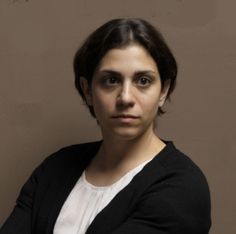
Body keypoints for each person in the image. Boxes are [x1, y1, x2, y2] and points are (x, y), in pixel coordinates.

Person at [0, 18, 211, 234]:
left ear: (163, 91)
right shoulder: (54, 169)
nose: (126, 98)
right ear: (87, 90)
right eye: (111, 80)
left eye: (143, 81)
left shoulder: (183, 186)